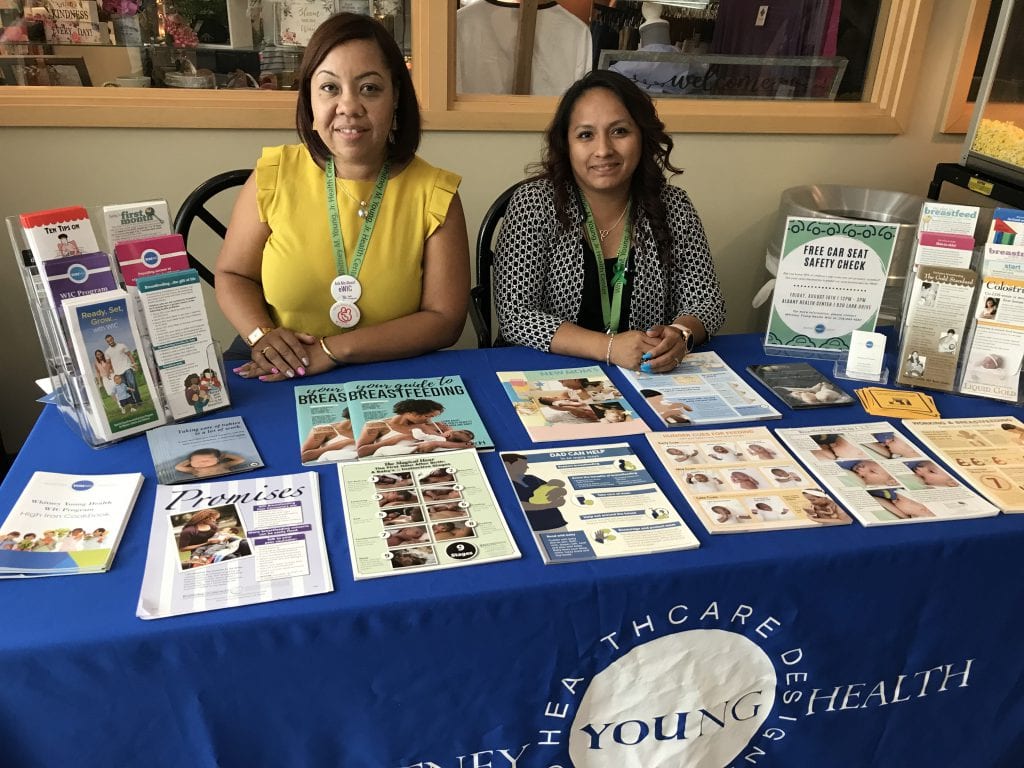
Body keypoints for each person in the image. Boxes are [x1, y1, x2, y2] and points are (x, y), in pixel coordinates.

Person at [215, 13, 469, 382]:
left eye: (369, 88)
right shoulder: (274, 173)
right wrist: (262, 335)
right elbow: (233, 273)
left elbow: (445, 321)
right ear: (310, 100)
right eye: (330, 88)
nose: (349, 106)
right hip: (283, 364)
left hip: (392, 370)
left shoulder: (435, 193)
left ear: (396, 96)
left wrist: (333, 350)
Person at [493, 69, 725, 370]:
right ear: (566, 144)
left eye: (620, 131)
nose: (603, 150)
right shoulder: (534, 203)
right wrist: (609, 347)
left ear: (642, 135)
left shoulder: (673, 206)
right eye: (586, 135)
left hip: (646, 374)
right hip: (548, 374)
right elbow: (516, 315)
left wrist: (679, 335)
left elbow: (708, 302)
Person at [356, 399, 452, 457]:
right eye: (427, 416)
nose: (430, 419)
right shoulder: (376, 425)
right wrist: (398, 438)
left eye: (433, 417)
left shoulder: (433, 425)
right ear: (411, 413)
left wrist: (448, 432)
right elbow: (360, 453)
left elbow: (456, 442)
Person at [501, 453, 568, 532]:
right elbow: (517, 505)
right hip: (534, 527)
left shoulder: (531, 478)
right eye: (522, 465)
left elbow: (550, 487)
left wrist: (561, 491)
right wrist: (551, 505)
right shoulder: (502, 484)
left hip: (557, 523)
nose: (527, 467)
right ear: (507, 465)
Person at [104, 334, 141, 404]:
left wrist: (134, 364)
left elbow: (129, 354)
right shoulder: (107, 352)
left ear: (113, 338)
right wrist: (108, 373)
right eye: (108, 341)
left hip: (127, 368)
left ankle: (138, 401)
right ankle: (132, 402)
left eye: (111, 340)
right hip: (118, 372)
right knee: (125, 387)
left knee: (132, 384)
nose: (110, 342)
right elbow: (108, 363)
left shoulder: (122, 346)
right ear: (107, 342)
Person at [175, 448, 247, 479]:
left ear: (218, 459)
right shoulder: (195, 470)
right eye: (197, 461)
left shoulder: (222, 465)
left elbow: (241, 460)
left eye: (207, 460)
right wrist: (189, 461)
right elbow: (178, 467)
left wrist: (225, 455)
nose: (203, 463)